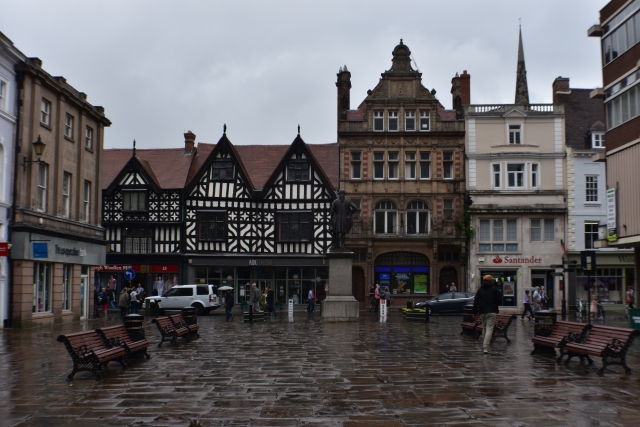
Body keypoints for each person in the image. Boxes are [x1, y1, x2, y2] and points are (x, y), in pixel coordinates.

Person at [472, 274, 502, 354]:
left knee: (484, 328)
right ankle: (485, 347)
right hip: (492, 311)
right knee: (489, 329)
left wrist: (474, 312)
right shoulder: (495, 289)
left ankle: (485, 346)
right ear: (491, 280)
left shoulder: (480, 289)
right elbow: (500, 300)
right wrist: (495, 304)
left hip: (482, 312)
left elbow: (476, 301)